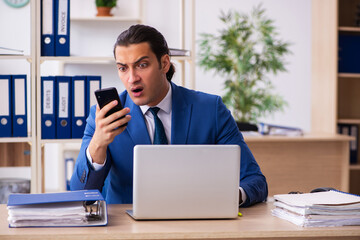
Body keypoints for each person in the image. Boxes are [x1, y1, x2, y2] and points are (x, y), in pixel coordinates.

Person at [70, 24, 268, 207]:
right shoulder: (104, 117)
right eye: (123, 68)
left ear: (164, 63)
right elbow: (79, 196)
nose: (131, 78)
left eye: (142, 65)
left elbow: (255, 181)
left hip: (196, 224)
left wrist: (229, 197)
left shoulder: (211, 110)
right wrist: (98, 143)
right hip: (128, 230)